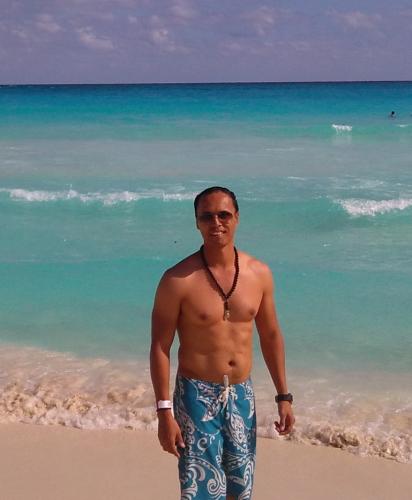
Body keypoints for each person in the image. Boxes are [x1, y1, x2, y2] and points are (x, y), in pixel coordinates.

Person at [150, 186, 295, 499]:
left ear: (237, 218)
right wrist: (164, 413)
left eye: (224, 215)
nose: (216, 222)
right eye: (207, 216)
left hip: (241, 394)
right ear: (197, 223)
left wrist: (284, 395)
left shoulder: (259, 274)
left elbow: (270, 336)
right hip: (195, 396)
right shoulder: (177, 280)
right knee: (201, 491)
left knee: (240, 489)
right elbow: (160, 347)